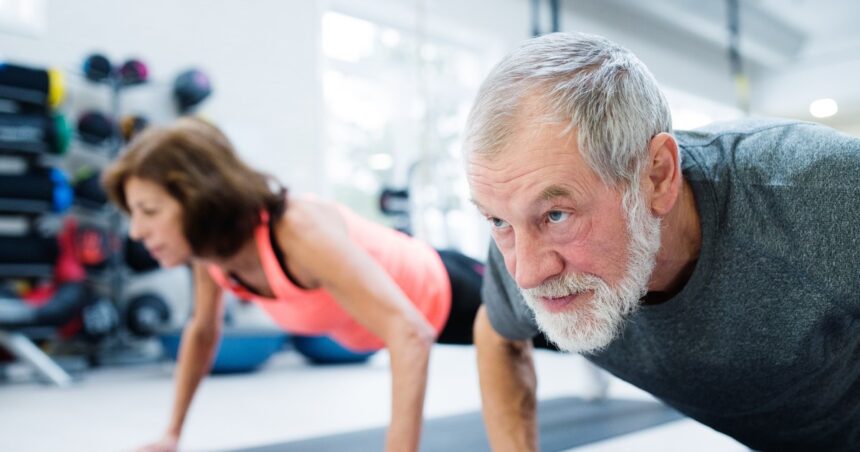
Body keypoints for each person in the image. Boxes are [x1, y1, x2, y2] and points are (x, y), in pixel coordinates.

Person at [464, 31, 860, 451]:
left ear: (657, 177)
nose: (525, 274)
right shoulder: (525, 231)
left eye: (557, 215)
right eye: (497, 221)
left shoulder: (820, 191)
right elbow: (496, 333)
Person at [101, 117, 489, 452]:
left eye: (149, 211)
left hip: (449, 288)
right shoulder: (212, 254)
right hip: (405, 323)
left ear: (198, 199)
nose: (136, 231)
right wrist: (171, 434)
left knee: (545, 334)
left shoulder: (298, 231)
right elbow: (203, 330)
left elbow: (409, 331)